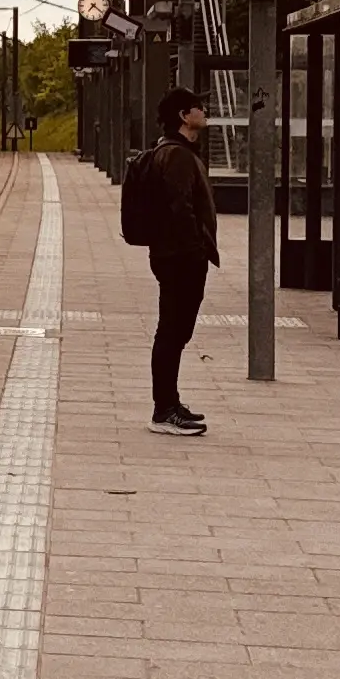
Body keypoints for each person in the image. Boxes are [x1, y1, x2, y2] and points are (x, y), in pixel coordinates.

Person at [127, 86, 219, 435]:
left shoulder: (173, 151)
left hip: (174, 254)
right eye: (198, 107)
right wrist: (197, 250)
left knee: (175, 332)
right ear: (184, 116)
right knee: (171, 332)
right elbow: (180, 208)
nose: (204, 111)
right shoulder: (177, 156)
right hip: (181, 256)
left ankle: (170, 403)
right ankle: (164, 411)